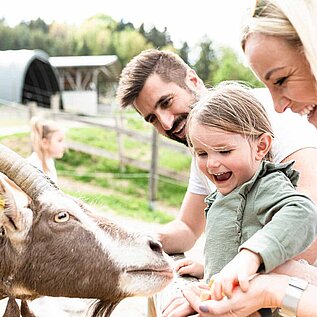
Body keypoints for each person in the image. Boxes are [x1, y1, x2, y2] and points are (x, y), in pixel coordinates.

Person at [116, 48, 317, 316]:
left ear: (193, 80)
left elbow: (308, 211)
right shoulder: (208, 155)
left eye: (166, 102)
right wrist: (143, 240)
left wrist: (224, 281)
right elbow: (188, 226)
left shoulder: (263, 117)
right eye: (152, 118)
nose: (165, 123)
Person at [180, 0, 317, 316]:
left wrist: (260, 273)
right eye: (201, 153)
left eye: (281, 79)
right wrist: (216, 270)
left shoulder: (269, 183)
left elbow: (301, 213)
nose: (279, 106)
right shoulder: (222, 194)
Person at [27, 116, 66, 184]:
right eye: (59, 140)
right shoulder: (33, 166)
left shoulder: (49, 161)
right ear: (45, 143)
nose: (64, 145)